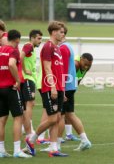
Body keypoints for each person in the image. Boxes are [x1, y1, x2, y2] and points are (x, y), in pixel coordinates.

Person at [25, 21, 68, 157]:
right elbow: (47, 68)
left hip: (59, 88)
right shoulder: (48, 47)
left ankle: (53, 149)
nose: (63, 34)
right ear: (54, 32)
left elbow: (59, 70)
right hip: (50, 87)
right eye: (60, 32)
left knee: (56, 118)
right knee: (52, 119)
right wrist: (53, 87)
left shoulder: (58, 48)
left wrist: (63, 90)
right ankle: (31, 139)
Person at [0, 29, 32, 158]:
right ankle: (17, 150)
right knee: (18, 118)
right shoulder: (13, 51)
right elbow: (11, 64)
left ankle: (1, 150)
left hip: (0, 89)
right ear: (17, 39)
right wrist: (18, 80)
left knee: (2, 120)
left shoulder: (1, 50)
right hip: (11, 88)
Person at [20, 30, 43, 140]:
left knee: (30, 104)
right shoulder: (28, 46)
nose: (40, 41)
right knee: (29, 104)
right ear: (32, 38)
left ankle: (27, 127)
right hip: (28, 79)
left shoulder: (31, 48)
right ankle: (28, 130)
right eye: (38, 39)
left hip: (30, 79)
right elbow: (21, 56)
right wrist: (25, 69)